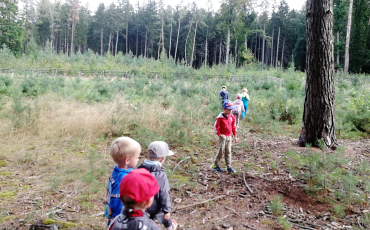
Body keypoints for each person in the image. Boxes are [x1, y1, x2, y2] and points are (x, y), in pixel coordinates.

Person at [137, 141, 177, 230]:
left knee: (147, 220)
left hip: (141, 206)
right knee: (164, 216)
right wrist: (167, 210)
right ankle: (169, 227)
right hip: (156, 206)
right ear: (163, 159)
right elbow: (164, 194)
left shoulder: (139, 169)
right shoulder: (161, 175)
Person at [105, 137, 141, 225]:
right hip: (119, 219)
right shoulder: (123, 179)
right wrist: (120, 220)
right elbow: (117, 200)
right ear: (127, 160)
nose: (138, 159)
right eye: (137, 157)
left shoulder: (116, 169)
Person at [211, 100, 239, 173]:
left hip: (229, 136)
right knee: (221, 151)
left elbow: (233, 127)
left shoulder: (232, 117)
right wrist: (220, 135)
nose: (230, 111)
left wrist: (235, 136)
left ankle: (228, 167)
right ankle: (215, 165)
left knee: (228, 151)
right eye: (229, 109)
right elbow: (216, 127)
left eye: (231, 109)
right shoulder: (220, 118)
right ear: (224, 109)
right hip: (223, 136)